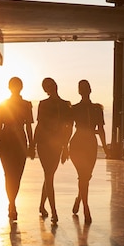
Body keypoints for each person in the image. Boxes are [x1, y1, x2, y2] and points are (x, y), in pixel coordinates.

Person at [69, 79, 109, 224]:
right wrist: (64, 147)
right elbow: (68, 128)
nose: (85, 90)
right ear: (79, 91)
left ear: (90, 90)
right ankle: (86, 207)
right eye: (82, 88)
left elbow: (102, 129)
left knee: (87, 176)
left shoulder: (97, 109)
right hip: (77, 143)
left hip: (91, 143)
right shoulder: (74, 108)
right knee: (83, 176)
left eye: (86, 88)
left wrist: (105, 148)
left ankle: (80, 198)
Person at [0, 77, 34, 221]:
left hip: (15, 141)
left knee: (15, 175)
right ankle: (12, 204)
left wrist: (31, 145)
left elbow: (29, 125)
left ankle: (12, 203)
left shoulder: (25, 105)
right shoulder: (5, 104)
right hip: (10, 140)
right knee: (10, 174)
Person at [33, 77, 72, 223]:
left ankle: (42, 205)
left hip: (56, 144)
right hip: (43, 144)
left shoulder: (65, 105)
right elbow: (40, 124)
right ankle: (54, 211)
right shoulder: (43, 104)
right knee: (49, 175)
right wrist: (32, 144)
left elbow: (69, 127)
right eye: (47, 86)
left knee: (49, 175)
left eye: (51, 84)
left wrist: (65, 146)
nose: (51, 87)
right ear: (46, 90)